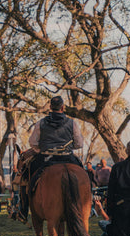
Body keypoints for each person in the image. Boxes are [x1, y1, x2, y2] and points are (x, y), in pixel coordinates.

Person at [14, 95, 84, 223]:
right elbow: (79, 144)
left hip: (45, 158)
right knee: (83, 174)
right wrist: (68, 147)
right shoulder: (72, 123)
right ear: (63, 108)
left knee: (25, 175)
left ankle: (23, 210)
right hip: (67, 157)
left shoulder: (41, 123)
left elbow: (33, 142)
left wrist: (41, 149)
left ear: (50, 107)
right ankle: (88, 203)